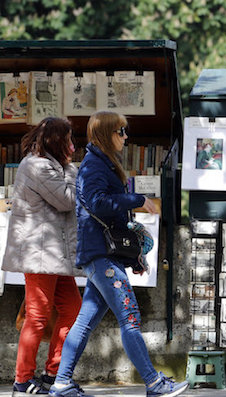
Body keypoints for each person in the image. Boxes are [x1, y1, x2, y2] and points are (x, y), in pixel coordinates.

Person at [49, 111, 188, 397]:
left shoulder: (101, 164)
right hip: (100, 255)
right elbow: (99, 204)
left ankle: (61, 383)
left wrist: (132, 257)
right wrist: (138, 200)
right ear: (106, 133)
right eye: (121, 131)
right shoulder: (93, 167)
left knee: (85, 322)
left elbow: (109, 216)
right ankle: (153, 383)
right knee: (129, 316)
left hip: (102, 254)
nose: (126, 137)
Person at [3, 117, 82, 395]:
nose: (73, 146)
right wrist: (73, 170)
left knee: (72, 309)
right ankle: (22, 379)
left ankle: (54, 372)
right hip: (39, 252)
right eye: (69, 139)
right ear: (57, 140)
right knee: (37, 316)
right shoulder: (37, 165)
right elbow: (67, 199)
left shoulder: (49, 164)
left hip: (53, 253)